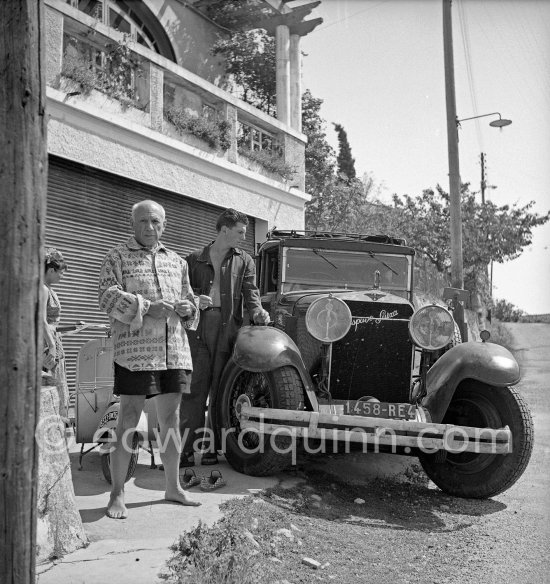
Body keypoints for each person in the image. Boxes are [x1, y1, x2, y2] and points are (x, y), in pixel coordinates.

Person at [98, 199, 201, 518]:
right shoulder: (117, 256)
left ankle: (173, 487)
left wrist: (188, 309)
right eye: (143, 221)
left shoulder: (177, 262)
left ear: (164, 225)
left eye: (155, 221)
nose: (149, 227)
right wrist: (144, 307)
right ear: (133, 223)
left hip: (174, 351)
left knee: (170, 420)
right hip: (135, 354)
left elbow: (190, 302)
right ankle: (117, 493)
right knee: (128, 418)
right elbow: (106, 296)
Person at [180, 208, 270, 466]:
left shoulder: (245, 260)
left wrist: (258, 311)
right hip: (197, 329)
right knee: (193, 390)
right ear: (224, 230)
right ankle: (186, 451)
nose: (243, 237)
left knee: (220, 390)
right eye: (240, 232)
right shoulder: (193, 259)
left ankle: (211, 449)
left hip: (228, 327)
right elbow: (180, 293)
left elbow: (251, 292)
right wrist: (197, 299)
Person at [42, 247, 70, 421]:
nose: (62, 276)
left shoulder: (48, 289)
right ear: (51, 270)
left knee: (56, 385)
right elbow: (41, 320)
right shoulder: (43, 289)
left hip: (53, 340)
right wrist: (51, 347)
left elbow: (52, 324)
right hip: (46, 345)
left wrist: (72, 328)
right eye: (61, 272)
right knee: (52, 387)